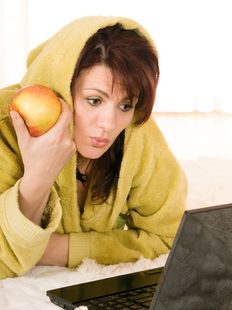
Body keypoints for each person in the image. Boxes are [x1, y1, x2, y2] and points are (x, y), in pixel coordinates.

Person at [0, 16, 187, 279]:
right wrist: (38, 178)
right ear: (61, 88)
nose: (109, 124)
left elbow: (171, 237)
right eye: (94, 100)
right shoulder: (5, 129)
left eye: (125, 105)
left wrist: (59, 249)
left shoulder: (135, 132)